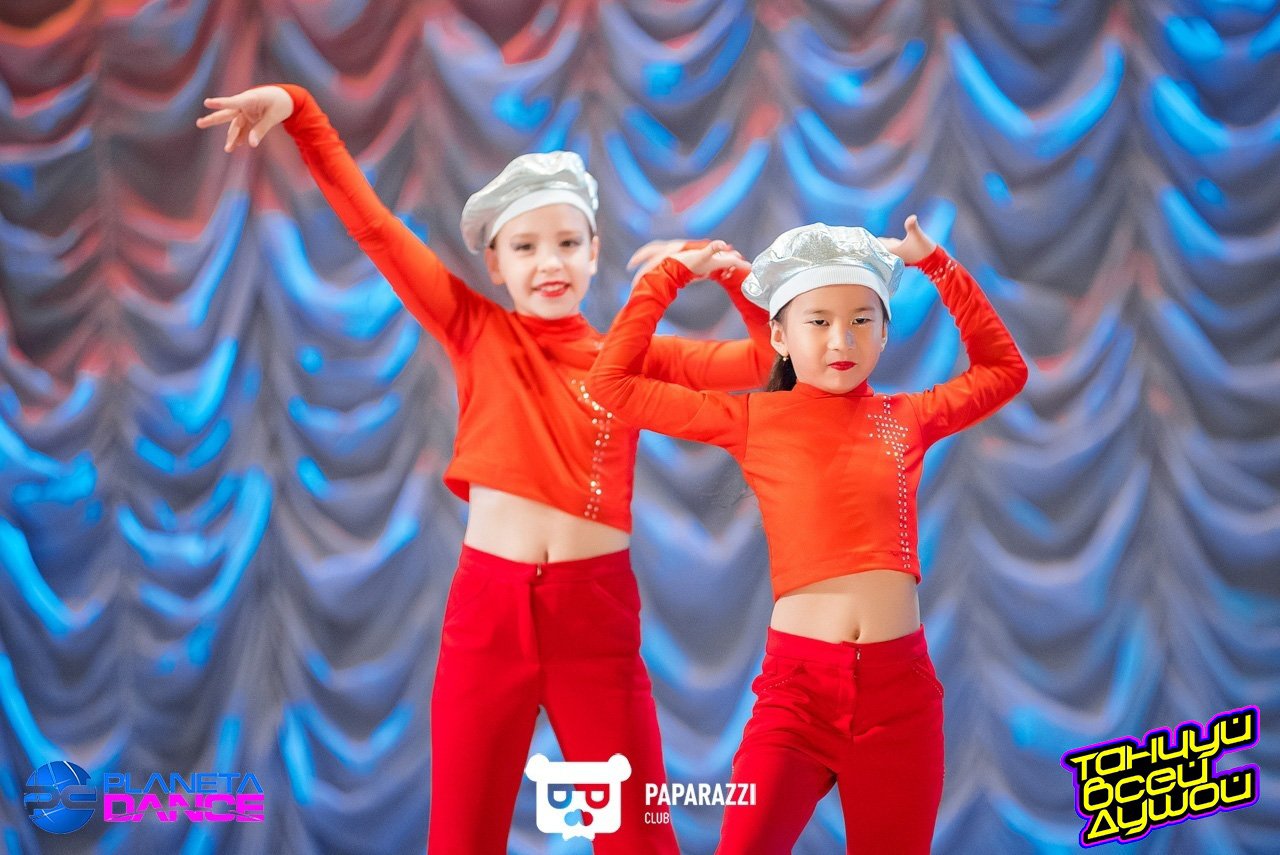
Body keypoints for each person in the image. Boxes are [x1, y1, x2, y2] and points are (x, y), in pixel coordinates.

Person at [196, 84, 774, 853]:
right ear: (494, 264)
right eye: (524, 247)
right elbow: (375, 228)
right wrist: (301, 112)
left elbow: (767, 362)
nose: (549, 262)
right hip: (488, 614)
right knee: (462, 837)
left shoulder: (633, 358)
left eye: (566, 242)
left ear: (594, 251)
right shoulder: (475, 330)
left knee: (637, 836)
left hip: (594, 616)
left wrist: (727, 275)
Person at [585, 218, 1029, 853]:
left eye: (861, 321)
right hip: (797, 694)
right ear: (780, 337)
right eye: (818, 321)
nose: (840, 340)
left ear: (884, 333)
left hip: (899, 697)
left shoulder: (905, 418)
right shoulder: (751, 419)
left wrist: (937, 265)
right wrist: (670, 276)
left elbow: (1005, 370)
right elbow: (611, 384)